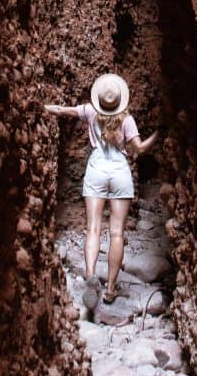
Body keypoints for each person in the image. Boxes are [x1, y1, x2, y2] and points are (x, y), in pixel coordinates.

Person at [43, 73, 159, 309]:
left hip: (96, 170)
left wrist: (41, 106)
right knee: (116, 233)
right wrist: (158, 135)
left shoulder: (89, 111)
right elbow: (139, 149)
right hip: (120, 173)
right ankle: (110, 289)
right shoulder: (127, 120)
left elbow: (61, 111)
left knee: (93, 228)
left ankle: (90, 276)